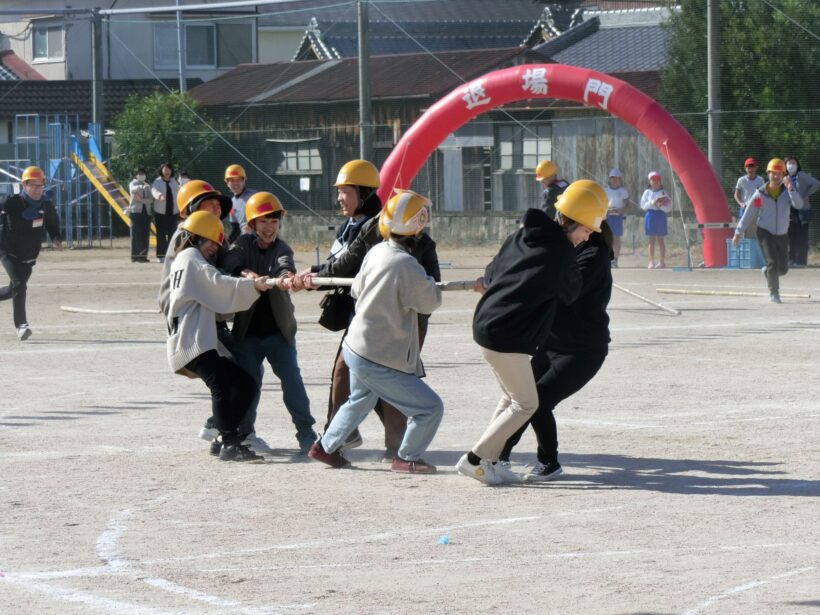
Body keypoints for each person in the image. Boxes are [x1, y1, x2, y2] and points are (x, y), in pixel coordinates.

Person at [455, 179, 607, 485]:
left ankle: (493, 459)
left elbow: (492, 271)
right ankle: (474, 460)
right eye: (587, 230)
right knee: (527, 404)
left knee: (511, 398)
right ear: (573, 221)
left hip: (487, 324)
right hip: (507, 336)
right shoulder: (561, 254)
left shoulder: (522, 235)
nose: (587, 237)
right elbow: (570, 293)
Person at [298, 180, 441, 461]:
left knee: (359, 400)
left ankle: (325, 447)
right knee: (429, 407)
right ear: (417, 226)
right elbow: (430, 301)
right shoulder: (407, 263)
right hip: (382, 352)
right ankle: (405, 456)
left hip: (356, 345)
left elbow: (355, 288)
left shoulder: (376, 250)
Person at [499, 221, 614, 481]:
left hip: (582, 350)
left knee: (538, 401)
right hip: (550, 343)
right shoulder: (564, 247)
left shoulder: (594, 253)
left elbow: (566, 291)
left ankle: (549, 462)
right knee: (522, 399)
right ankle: (499, 456)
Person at [165, 210, 270, 462]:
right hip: (194, 341)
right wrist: (253, 285)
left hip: (194, 339)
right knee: (222, 387)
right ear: (196, 237)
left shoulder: (185, 259)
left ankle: (225, 437)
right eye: (211, 242)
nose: (214, 248)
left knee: (244, 385)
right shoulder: (191, 258)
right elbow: (218, 284)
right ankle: (230, 443)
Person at [221, 192, 318, 454]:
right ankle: (244, 434)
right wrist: (247, 274)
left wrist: (286, 277)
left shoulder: (282, 248)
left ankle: (306, 434)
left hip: (279, 334)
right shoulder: (241, 244)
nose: (269, 227)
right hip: (247, 335)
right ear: (252, 224)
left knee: (292, 383)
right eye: (263, 221)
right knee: (249, 386)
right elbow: (232, 263)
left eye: (274, 221)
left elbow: (284, 266)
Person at [297, 160, 384, 451]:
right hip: (356, 315)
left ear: (365, 193)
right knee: (377, 381)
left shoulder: (377, 226)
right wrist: (312, 275)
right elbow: (335, 264)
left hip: (377, 315)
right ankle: (351, 433)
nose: (339, 198)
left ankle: (336, 436)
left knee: (344, 372)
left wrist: (314, 278)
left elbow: (347, 266)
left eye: (345, 191)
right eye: (339, 191)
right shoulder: (348, 226)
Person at [0, 166, 63, 341]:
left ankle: (21, 324)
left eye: (40, 184)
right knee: (20, 285)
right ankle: (21, 325)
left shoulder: (46, 205)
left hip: (29, 256)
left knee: (12, 290)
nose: (37, 188)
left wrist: (56, 237)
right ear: (24, 185)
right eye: (33, 185)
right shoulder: (13, 202)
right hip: (8, 251)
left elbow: (52, 223)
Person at [733, 158, 805, 303]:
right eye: (773, 173)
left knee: (783, 269)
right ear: (768, 174)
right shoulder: (760, 193)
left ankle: (767, 272)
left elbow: (799, 205)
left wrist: (791, 188)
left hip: (782, 234)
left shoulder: (787, 191)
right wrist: (738, 232)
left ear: (783, 175)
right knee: (772, 261)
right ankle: (774, 292)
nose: (776, 176)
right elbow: (749, 213)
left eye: (779, 173)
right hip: (765, 232)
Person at [784, 156, 820, 267]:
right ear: (785, 165)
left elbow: (817, 183)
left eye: (793, 163)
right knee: (790, 235)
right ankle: (791, 260)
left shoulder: (802, 175)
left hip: (802, 209)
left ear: (797, 164)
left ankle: (801, 261)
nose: (791, 165)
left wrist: (806, 194)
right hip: (789, 210)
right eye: (789, 163)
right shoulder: (784, 178)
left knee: (802, 235)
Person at [640, 171, 672, 269]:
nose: (655, 181)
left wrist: (660, 206)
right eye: (653, 180)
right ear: (649, 181)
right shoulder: (647, 192)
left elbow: (668, 207)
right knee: (651, 240)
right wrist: (652, 203)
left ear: (660, 181)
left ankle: (662, 262)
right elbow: (643, 206)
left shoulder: (664, 192)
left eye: (657, 179)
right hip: (650, 215)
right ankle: (651, 262)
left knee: (660, 240)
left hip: (660, 216)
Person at [150, 162, 180, 264]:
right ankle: (161, 255)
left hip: (173, 212)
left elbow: (180, 192)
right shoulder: (157, 181)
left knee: (172, 234)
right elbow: (153, 190)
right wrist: (159, 196)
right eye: (165, 169)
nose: (167, 171)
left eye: (169, 169)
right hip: (160, 213)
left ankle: (171, 255)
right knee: (161, 235)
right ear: (161, 170)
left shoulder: (174, 182)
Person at [224, 164, 257, 242]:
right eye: (232, 180)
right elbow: (236, 228)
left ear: (244, 181)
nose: (236, 183)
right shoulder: (231, 203)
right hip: (245, 242)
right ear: (227, 183)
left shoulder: (254, 196)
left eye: (239, 180)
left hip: (258, 240)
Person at [127, 168, 153, 263]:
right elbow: (133, 190)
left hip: (146, 212)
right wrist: (142, 188)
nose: (142, 175)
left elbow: (150, 199)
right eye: (140, 173)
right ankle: (134, 256)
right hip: (135, 212)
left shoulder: (147, 185)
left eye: (143, 173)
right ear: (136, 175)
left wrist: (141, 200)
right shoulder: (133, 183)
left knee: (145, 235)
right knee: (136, 234)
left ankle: (143, 256)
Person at [604, 168, 628, 267]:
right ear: (610, 179)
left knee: (616, 237)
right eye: (612, 178)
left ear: (619, 179)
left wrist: (621, 210)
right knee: (607, 238)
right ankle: (607, 258)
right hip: (607, 216)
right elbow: (602, 203)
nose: (614, 180)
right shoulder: (605, 190)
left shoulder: (623, 191)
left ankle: (615, 260)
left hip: (617, 217)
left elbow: (627, 204)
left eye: (616, 178)